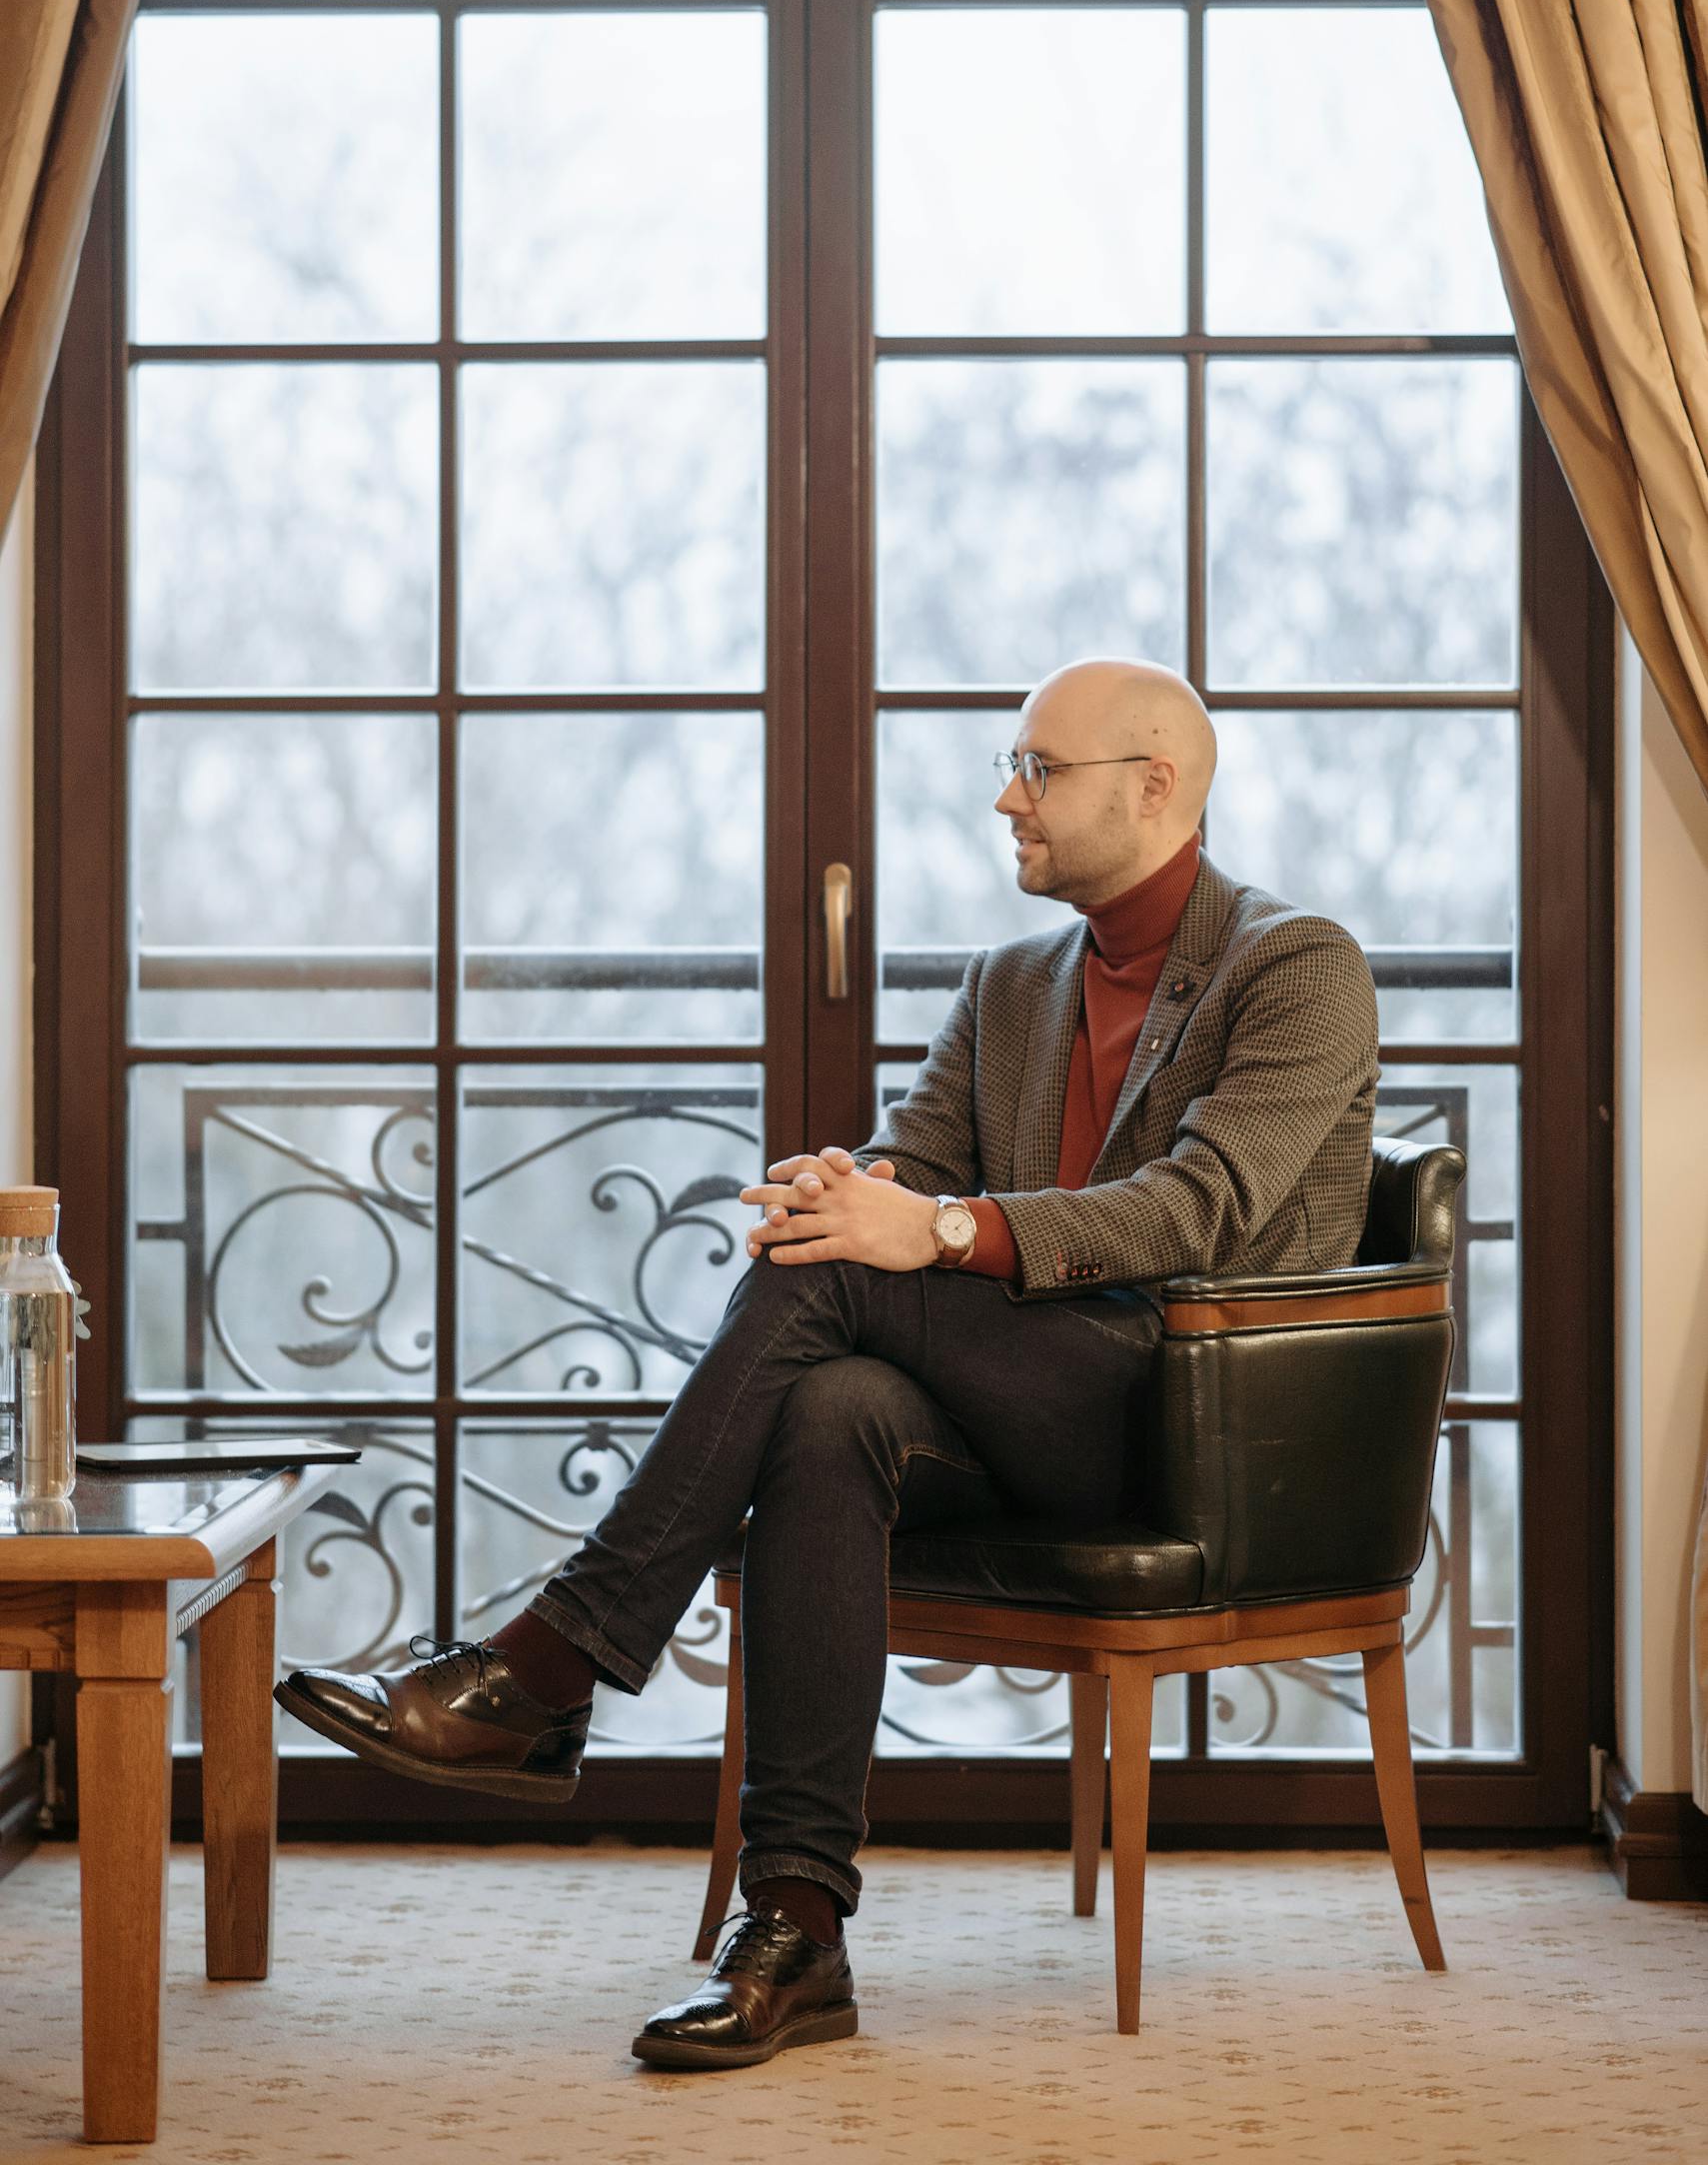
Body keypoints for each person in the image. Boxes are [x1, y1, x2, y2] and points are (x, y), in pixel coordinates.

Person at [276, 656, 1379, 2069]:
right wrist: (841, 1187)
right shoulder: (1011, 983)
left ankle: (551, 1667)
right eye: (1011, 767)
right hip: (1007, 1404)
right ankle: (795, 1932)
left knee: (847, 1274)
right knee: (831, 1408)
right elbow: (911, 1167)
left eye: (1037, 770)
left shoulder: (1294, 966)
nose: (1006, 798)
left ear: (1153, 785)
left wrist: (913, 1224)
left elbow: (1197, 1209)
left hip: (1180, 1412)